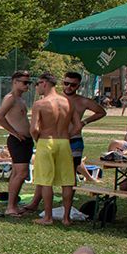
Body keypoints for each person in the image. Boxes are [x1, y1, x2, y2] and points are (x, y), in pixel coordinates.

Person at [30, 73, 75, 225]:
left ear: (44, 83)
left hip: (46, 140)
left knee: (46, 181)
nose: (36, 87)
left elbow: (34, 128)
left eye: (37, 84)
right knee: (67, 181)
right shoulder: (67, 102)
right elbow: (77, 125)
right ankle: (66, 218)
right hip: (64, 141)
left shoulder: (40, 104)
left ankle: (48, 217)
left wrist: (37, 139)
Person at [0, 70, 34, 217]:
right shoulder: (10, 98)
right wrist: (15, 133)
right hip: (18, 141)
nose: (27, 85)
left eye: (29, 82)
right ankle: (10, 207)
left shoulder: (21, 99)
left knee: (18, 173)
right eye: (24, 82)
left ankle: (13, 204)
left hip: (26, 140)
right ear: (15, 82)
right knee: (22, 173)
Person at [62, 71, 107, 182]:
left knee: (71, 173)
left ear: (79, 86)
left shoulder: (82, 101)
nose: (69, 87)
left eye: (73, 85)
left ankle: (68, 199)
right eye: (66, 83)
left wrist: (84, 122)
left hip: (74, 139)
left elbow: (101, 112)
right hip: (57, 138)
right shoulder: (54, 99)